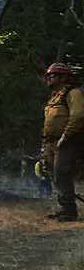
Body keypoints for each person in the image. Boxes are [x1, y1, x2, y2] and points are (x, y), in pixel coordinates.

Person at [41, 62, 84, 222]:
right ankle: (63, 209)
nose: (49, 78)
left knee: (61, 173)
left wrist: (65, 137)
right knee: (54, 175)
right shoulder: (54, 97)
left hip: (68, 142)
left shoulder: (73, 94)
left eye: (53, 75)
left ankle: (68, 212)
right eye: (49, 75)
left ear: (63, 77)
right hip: (51, 142)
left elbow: (78, 116)